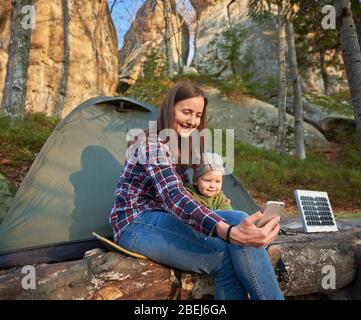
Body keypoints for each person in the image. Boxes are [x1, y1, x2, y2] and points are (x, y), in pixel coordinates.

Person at [109, 81, 284, 300]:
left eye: (198, 114)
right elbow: (174, 196)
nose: (192, 121)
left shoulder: (182, 145)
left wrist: (220, 212)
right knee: (225, 253)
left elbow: (186, 194)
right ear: (169, 109)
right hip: (135, 223)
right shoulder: (150, 143)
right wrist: (226, 231)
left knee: (240, 217)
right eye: (186, 112)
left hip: (164, 217)